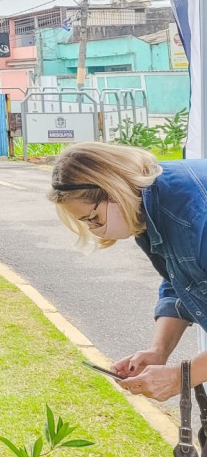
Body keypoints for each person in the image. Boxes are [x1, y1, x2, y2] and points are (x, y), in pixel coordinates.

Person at [48, 141, 207, 400]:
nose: (92, 228)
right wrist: (158, 351)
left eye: (92, 218)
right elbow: (180, 279)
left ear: (114, 192)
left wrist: (180, 377)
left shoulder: (193, 216)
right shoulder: (149, 204)